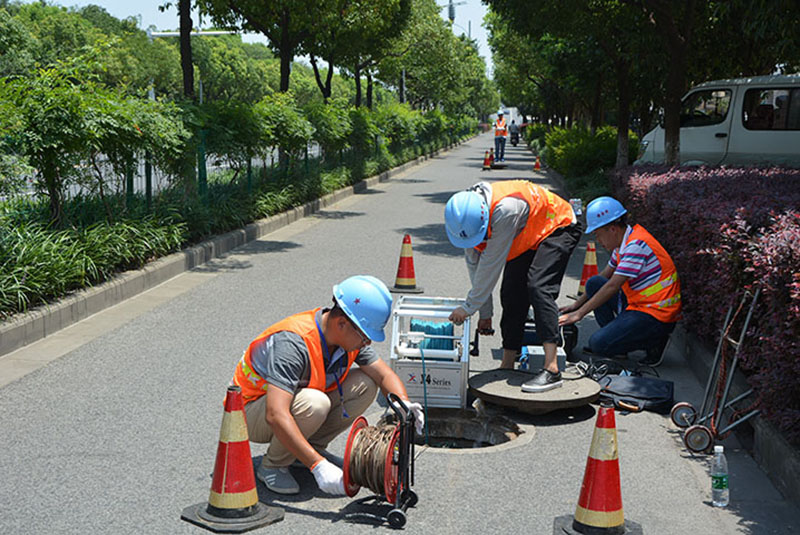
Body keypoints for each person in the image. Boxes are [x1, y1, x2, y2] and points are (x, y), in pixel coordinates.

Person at [230, 275, 424, 496]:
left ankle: (306, 451)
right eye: (365, 336)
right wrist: (318, 466)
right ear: (341, 324)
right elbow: (275, 414)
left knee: (366, 383)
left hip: (288, 403)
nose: (367, 343)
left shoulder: (348, 337)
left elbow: (383, 375)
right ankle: (273, 465)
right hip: (248, 412)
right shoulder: (293, 343)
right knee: (315, 404)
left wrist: (403, 403)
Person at [444, 180, 582, 392]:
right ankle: (508, 363)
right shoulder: (466, 218)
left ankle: (552, 369)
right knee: (511, 291)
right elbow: (476, 267)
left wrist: (468, 308)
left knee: (538, 287)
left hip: (558, 225)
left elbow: (490, 265)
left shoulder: (505, 210)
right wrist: (485, 313)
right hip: (527, 234)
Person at [559, 197, 681, 364]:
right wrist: (576, 305)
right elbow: (604, 277)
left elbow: (612, 286)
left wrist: (578, 315)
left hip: (657, 316)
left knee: (598, 343)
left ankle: (655, 342)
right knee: (594, 283)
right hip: (639, 305)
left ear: (613, 229)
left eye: (598, 234)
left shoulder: (636, 246)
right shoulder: (623, 243)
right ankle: (618, 344)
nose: (598, 241)